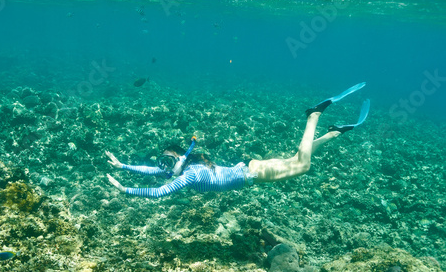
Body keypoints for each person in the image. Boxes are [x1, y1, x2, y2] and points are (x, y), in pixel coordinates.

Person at [106, 83, 370, 198]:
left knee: (302, 166)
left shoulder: (189, 175)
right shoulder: (185, 169)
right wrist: (123, 167)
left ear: (181, 157)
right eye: (163, 163)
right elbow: (154, 172)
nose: (163, 167)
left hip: (252, 173)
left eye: (167, 161)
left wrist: (125, 190)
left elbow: (159, 191)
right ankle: (333, 133)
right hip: (249, 168)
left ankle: (313, 116)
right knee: (295, 160)